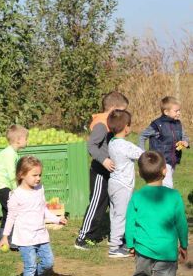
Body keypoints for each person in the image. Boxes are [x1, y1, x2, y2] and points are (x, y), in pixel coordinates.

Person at [126, 151, 188, 276]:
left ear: (140, 173)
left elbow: (130, 222)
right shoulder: (174, 196)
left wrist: (130, 243)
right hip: (167, 252)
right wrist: (184, 244)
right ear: (164, 171)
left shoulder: (137, 196)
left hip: (143, 249)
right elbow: (181, 223)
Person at [0, 156, 67, 276]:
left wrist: (56, 219)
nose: (38, 178)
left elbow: (43, 209)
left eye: (40, 175)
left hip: (41, 235)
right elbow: (11, 217)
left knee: (48, 262)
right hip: (25, 238)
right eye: (34, 175)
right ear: (21, 175)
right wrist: (5, 236)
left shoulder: (40, 189)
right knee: (30, 265)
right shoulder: (16, 195)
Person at [75, 91, 129, 250]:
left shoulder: (112, 123)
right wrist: (104, 160)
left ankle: (117, 236)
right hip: (100, 172)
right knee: (97, 203)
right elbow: (91, 145)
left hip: (112, 172)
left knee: (115, 204)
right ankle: (83, 237)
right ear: (112, 108)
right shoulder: (101, 124)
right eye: (122, 111)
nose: (124, 115)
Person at [106, 110, 144, 258]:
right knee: (121, 216)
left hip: (113, 183)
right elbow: (142, 154)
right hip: (123, 185)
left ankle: (116, 241)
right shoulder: (125, 145)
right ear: (126, 127)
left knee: (115, 214)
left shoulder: (112, 142)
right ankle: (115, 248)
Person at [138, 96, 189, 189]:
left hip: (173, 160)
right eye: (176, 111)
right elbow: (142, 136)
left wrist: (185, 142)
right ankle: (168, 197)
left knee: (159, 184)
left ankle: (154, 196)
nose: (179, 113)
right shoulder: (157, 125)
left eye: (179, 110)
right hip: (160, 161)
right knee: (168, 186)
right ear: (166, 112)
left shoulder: (178, 124)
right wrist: (142, 153)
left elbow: (185, 137)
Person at [0, 125, 28, 248]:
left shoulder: (13, 153)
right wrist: (17, 190)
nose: (27, 141)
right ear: (18, 140)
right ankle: (15, 241)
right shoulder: (9, 154)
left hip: (0, 185)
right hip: (1, 185)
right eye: (26, 138)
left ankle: (4, 241)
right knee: (15, 210)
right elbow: (12, 174)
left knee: (7, 212)